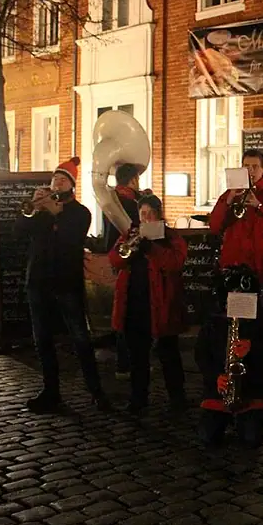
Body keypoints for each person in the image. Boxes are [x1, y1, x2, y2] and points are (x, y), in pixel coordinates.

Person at [17, 156, 111, 413]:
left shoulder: (80, 213)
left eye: (62, 180)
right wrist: (36, 210)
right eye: (54, 180)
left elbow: (70, 239)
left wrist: (53, 213)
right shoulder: (41, 212)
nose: (56, 184)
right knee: (42, 339)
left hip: (66, 282)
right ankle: (51, 391)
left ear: (71, 186)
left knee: (80, 338)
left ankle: (96, 391)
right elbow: (20, 230)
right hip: (38, 281)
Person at [210, 149, 263, 404]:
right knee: (233, 329)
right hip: (234, 274)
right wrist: (228, 201)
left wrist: (259, 207)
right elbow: (214, 226)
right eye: (246, 166)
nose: (251, 171)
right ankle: (234, 382)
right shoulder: (230, 196)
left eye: (255, 166)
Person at [108, 194, 187, 415]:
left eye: (151, 213)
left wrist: (152, 249)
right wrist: (129, 245)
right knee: (137, 356)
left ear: (159, 215)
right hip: (135, 302)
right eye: (143, 214)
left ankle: (177, 398)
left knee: (168, 353)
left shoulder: (170, 237)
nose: (147, 217)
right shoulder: (131, 234)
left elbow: (175, 262)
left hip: (162, 304)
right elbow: (114, 259)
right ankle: (138, 399)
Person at [196, 267, 263, 448]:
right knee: (207, 436)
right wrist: (216, 376)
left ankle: (245, 418)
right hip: (219, 391)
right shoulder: (213, 320)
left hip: (252, 390)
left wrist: (253, 347)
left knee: (251, 439)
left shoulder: (261, 320)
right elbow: (201, 354)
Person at [105, 162, 144, 382]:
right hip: (130, 258)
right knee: (129, 312)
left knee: (121, 310)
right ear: (133, 180)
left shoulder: (110, 199)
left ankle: (123, 363)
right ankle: (128, 362)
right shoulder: (131, 202)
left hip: (116, 255)